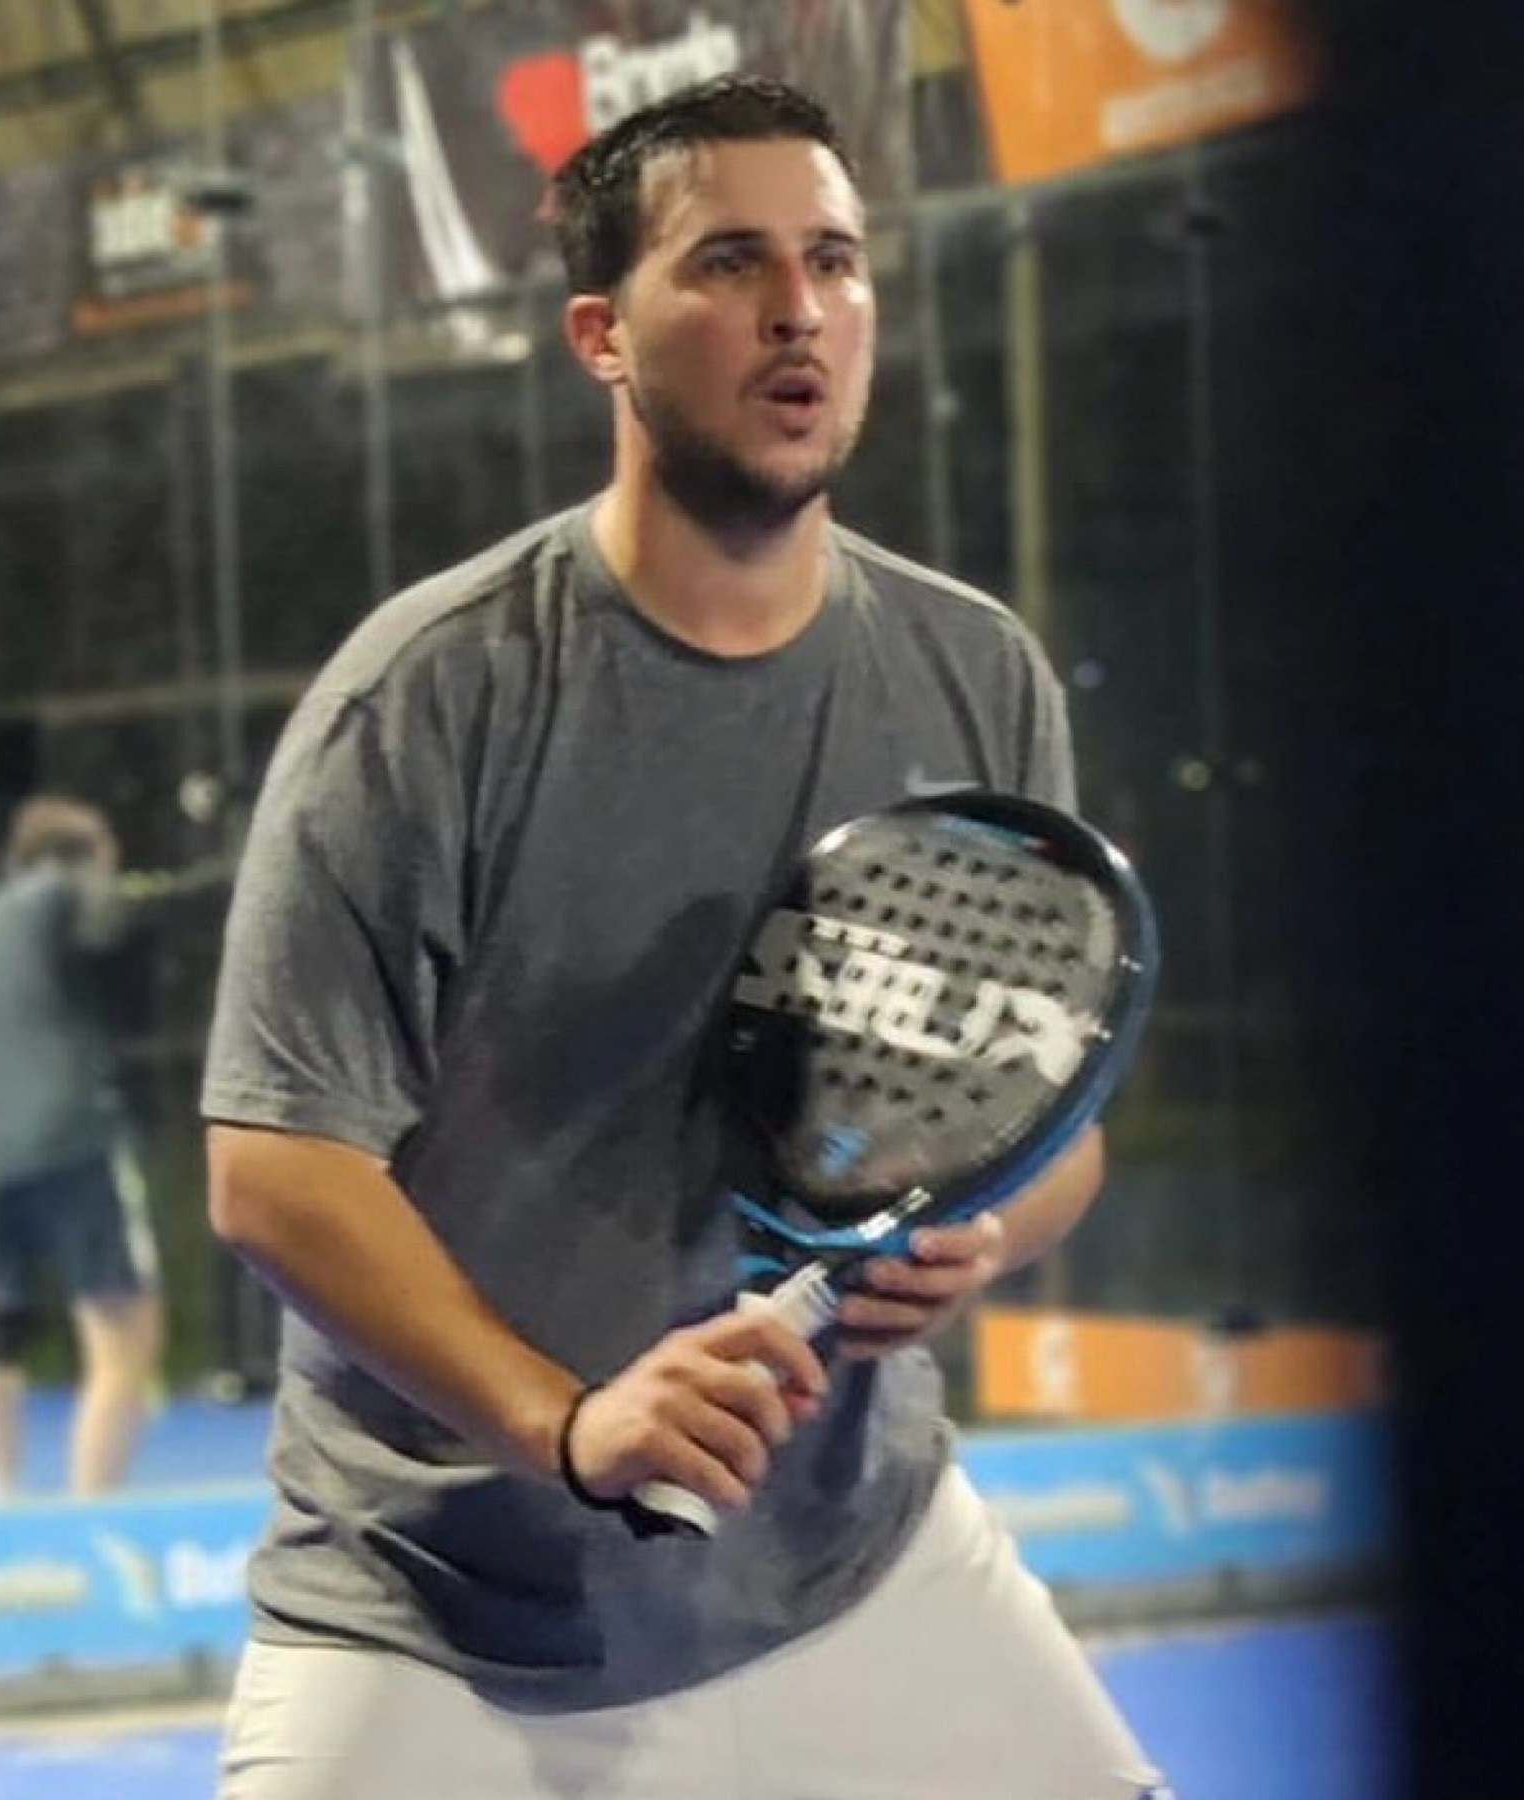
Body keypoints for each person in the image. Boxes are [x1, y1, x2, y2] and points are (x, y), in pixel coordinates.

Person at [202, 76, 1170, 1799]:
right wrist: (568, 1423)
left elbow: (1052, 1123)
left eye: (835, 261)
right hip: (444, 1619)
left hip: (860, 1575)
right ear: (603, 334)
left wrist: (986, 1233)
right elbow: (276, 1170)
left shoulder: (977, 673)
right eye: (730, 263)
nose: (800, 308)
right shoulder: (427, 699)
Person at [0, 795, 164, 1500]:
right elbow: (113, 922)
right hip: (69, 1136)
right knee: (123, 1328)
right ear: (88, 853)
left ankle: (0, 1502)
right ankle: (89, 1511)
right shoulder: (66, 890)